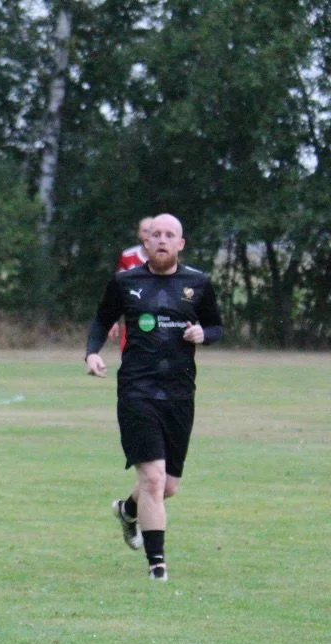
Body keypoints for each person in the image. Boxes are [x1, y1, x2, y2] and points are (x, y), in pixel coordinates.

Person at [85, 213, 223, 581]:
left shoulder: (199, 283)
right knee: (153, 481)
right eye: (156, 234)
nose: (162, 240)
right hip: (136, 390)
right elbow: (102, 320)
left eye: (170, 235)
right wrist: (92, 352)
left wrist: (203, 335)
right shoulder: (125, 282)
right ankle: (157, 565)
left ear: (181, 243)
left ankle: (128, 510)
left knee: (168, 486)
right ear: (146, 242)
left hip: (179, 393)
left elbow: (216, 326)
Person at [108, 216, 155, 348]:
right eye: (145, 231)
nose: (148, 235)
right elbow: (118, 290)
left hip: (160, 321)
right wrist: (113, 319)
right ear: (139, 234)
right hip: (133, 320)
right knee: (130, 363)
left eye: (152, 231)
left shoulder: (166, 257)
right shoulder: (128, 257)